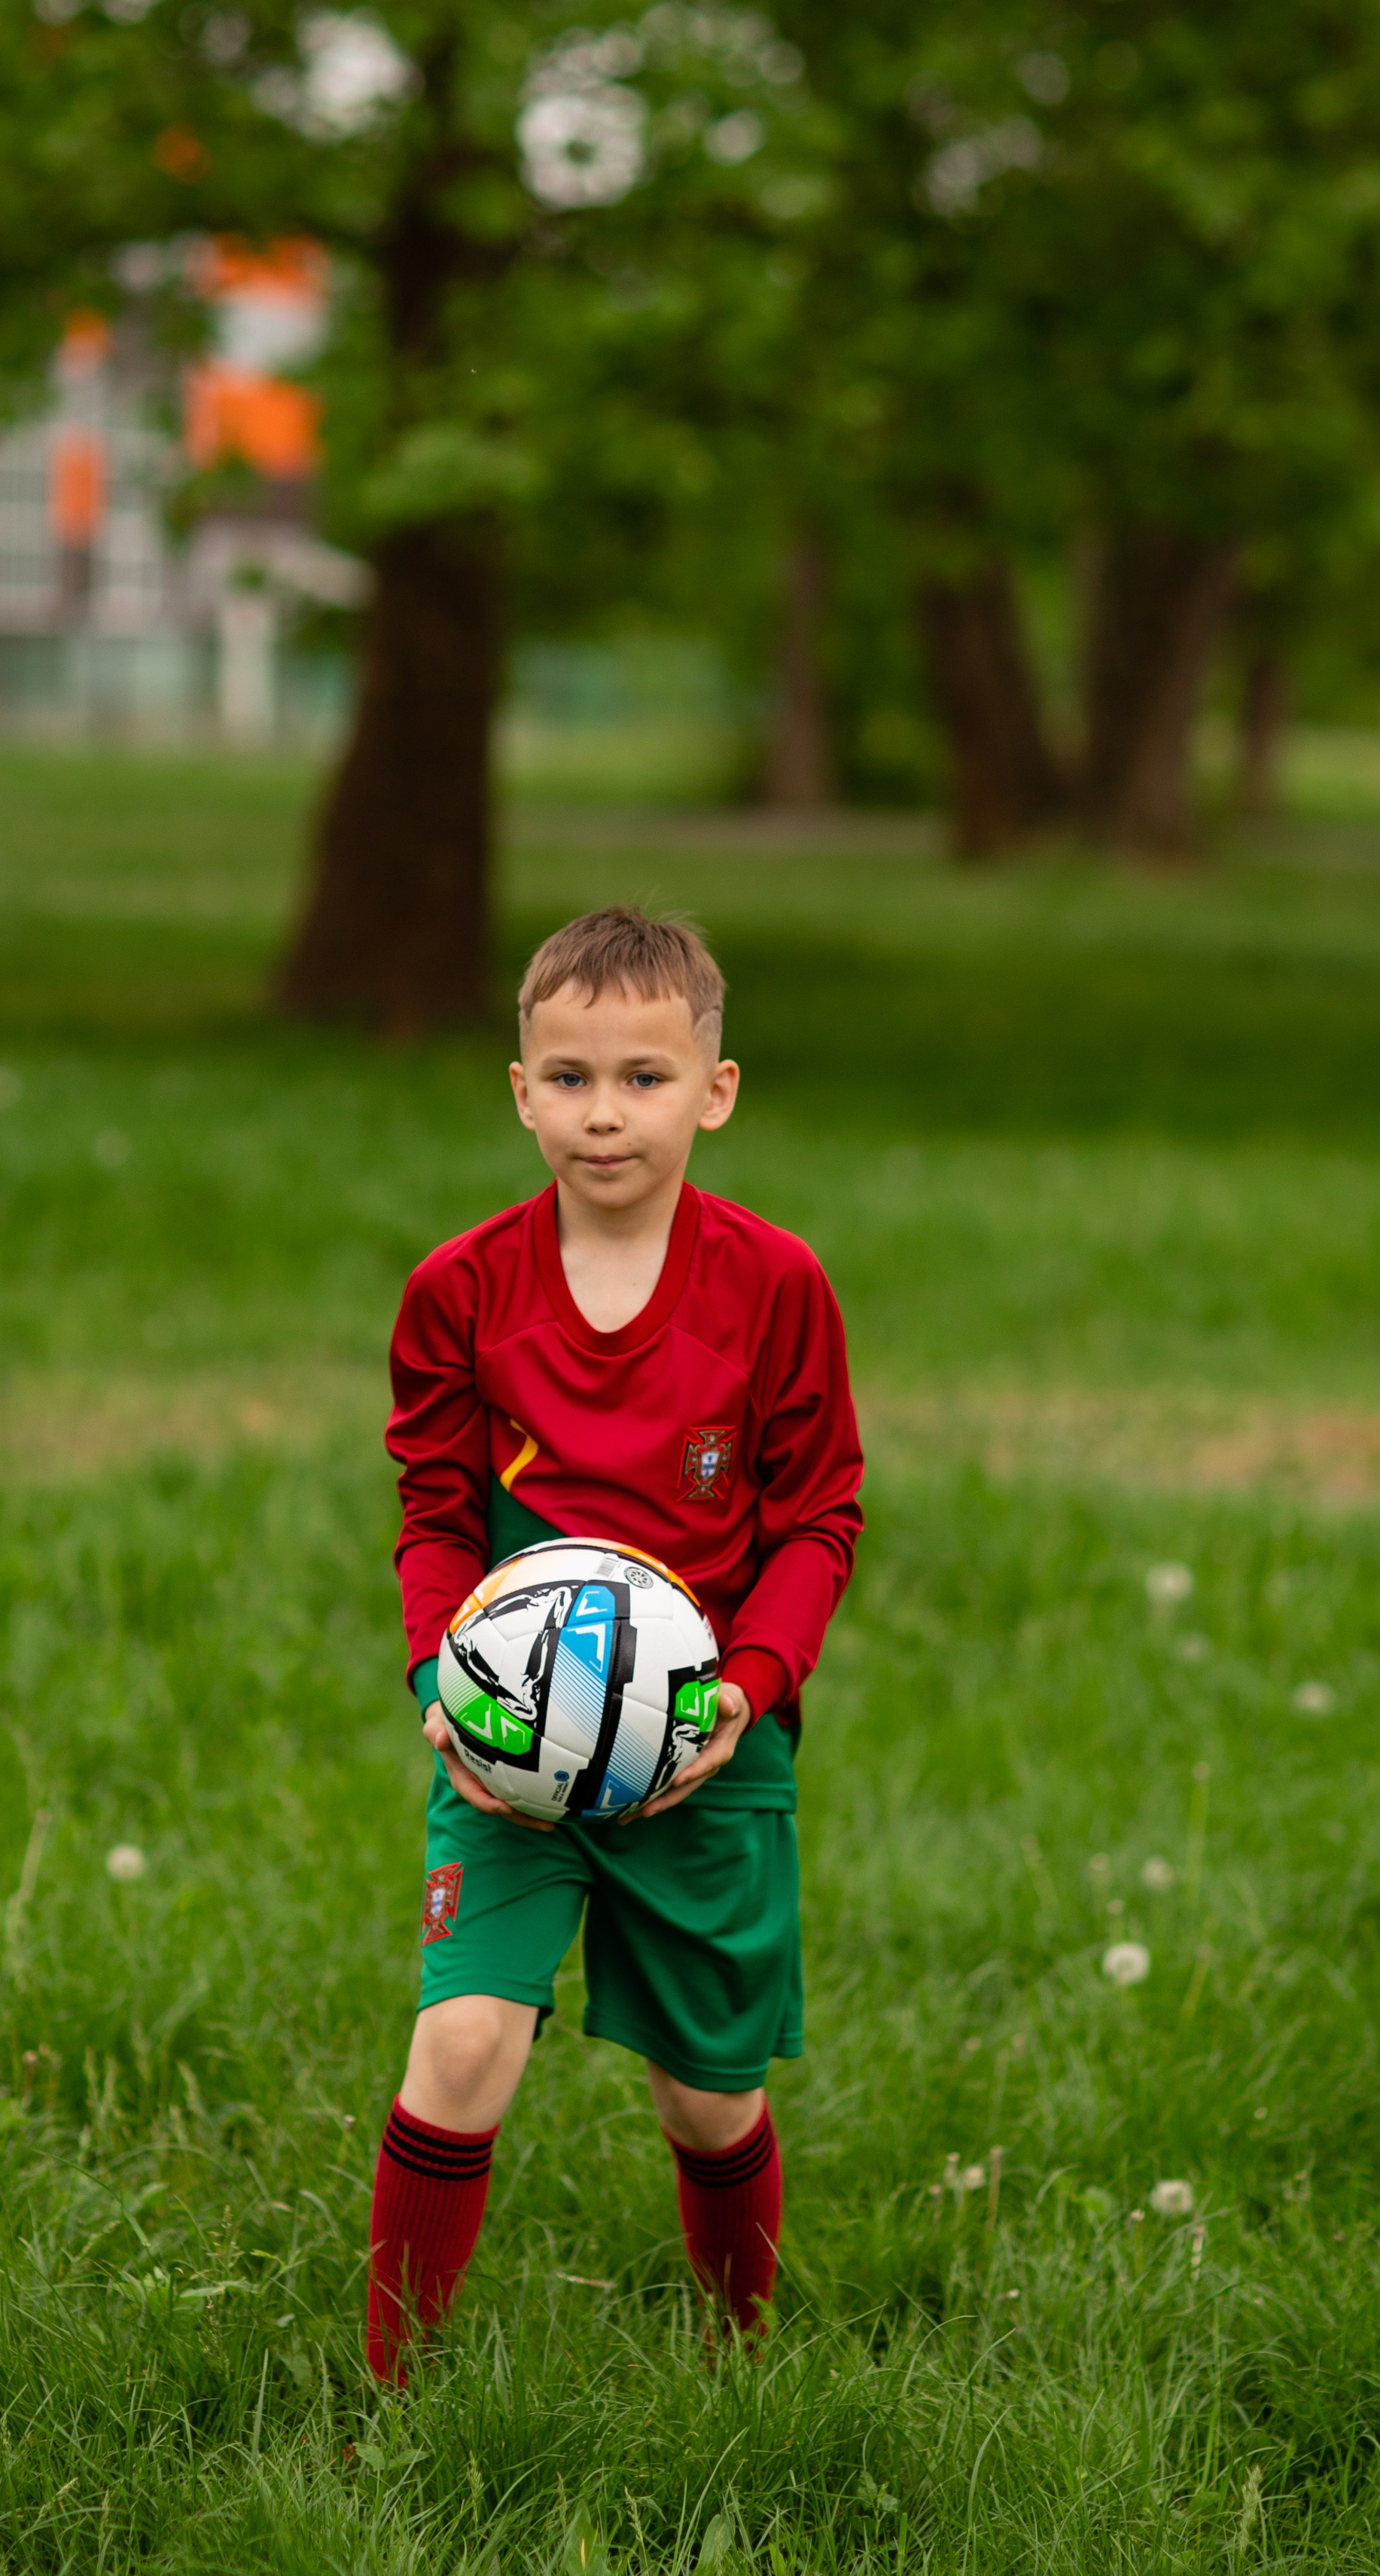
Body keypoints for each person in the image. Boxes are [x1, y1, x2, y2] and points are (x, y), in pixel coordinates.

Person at [367, 907, 864, 2383]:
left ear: (714, 1089)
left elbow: (819, 1519)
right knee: (459, 2046)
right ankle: (387, 2391)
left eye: (643, 1078)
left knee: (705, 2099)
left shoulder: (775, 1288)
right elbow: (434, 1513)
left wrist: (744, 1693)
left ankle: (738, 2358)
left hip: (708, 1743)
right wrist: (435, 1681)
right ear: (518, 1086)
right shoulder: (459, 1290)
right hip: (512, 1743)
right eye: (570, 1076)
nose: (604, 1113)